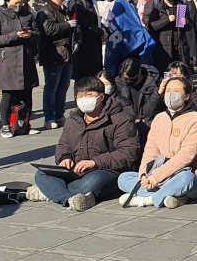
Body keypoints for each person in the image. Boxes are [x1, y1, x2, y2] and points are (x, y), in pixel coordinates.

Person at [26, 76, 138, 211]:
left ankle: (52, 192)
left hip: (106, 171)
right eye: (80, 96)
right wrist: (65, 158)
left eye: (89, 95)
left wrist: (94, 162)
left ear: (101, 97)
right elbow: (63, 145)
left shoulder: (120, 119)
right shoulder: (73, 119)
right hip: (76, 171)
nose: (84, 99)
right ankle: (69, 198)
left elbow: (128, 153)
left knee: (93, 182)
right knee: (41, 174)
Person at [117, 76, 197, 208]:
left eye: (176, 91)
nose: (171, 94)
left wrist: (157, 176)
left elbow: (186, 156)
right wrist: (144, 175)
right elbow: (150, 150)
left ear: (187, 96)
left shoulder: (195, 119)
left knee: (187, 179)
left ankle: (149, 199)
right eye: (168, 90)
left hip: (183, 174)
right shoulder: (159, 118)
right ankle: (173, 196)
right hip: (159, 177)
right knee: (123, 178)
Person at [0, 0, 42, 138]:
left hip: (26, 58)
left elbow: (38, 35)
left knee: (27, 94)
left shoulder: (28, 15)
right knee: (8, 94)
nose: (18, 6)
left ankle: (25, 124)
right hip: (8, 60)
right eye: (15, 3)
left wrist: (30, 34)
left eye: (21, 3)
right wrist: (14, 35)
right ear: (7, 2)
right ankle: (5, 126)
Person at [36, 0, 75, 130]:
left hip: (67, 53)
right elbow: (48, 29)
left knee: (63, 86)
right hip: (53, 54)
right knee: (51, 87)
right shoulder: (45, 11)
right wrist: (66, 25)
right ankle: (49, 116)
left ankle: (60, 114)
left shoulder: (64, 9)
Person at [115, 57, 163, 143]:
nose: (129, 81)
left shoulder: (153, 83)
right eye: (126, 79)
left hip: (148, 122)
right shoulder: (120, 83)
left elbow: (149, 111)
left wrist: (157, 94)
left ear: (139, 71)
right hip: (128, 123)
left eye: (132, 79)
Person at [147, 0, 189, 73]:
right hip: (163, 48)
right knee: (165, 73)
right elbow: (152, 25)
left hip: (180, 46)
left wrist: (186, 22)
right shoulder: (157, 7)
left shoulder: (180, 5)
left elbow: (189, 25)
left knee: (180, 74)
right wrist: (167, 20)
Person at [70, 0, 105, 84]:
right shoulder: (77, 0)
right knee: (84, 77)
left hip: (94, 43)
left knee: (94, 75)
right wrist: (100, 32)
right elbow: (84, 25)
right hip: (85, 44)